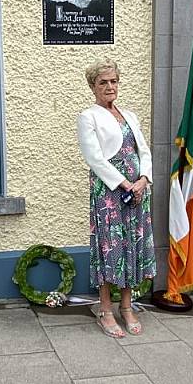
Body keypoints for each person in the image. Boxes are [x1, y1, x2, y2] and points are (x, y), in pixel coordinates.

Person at [77, 59, 156, 338]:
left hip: (137, 191)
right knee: (111, 248)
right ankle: (106, 310)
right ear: (93, 86)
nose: (110, 87)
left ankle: (127, 307)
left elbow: (143, 151)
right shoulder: (89, 116)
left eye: (113, 81)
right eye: (103, 82)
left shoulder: (130, 115)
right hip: (110, 194)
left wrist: (143, 181)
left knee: (131, 245)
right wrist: (125, 185)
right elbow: (94, 159)